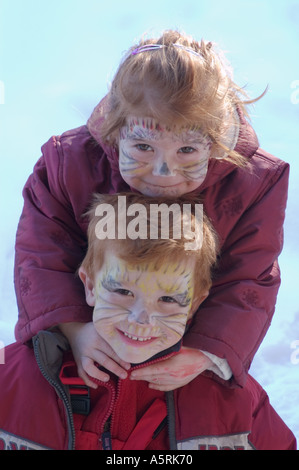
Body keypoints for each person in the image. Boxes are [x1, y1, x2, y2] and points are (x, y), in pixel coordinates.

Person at [14, 29, 289, 391]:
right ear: (116, 131)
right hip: (92, 329)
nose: (164, 172)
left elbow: (250, 276)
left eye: (187, 151)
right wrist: (74, 329)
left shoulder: (254, 182)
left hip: (186, 345)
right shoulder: (69, 163)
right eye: (143, 145)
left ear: (218, 142)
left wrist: (207, 352)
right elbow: (41, 251)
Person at [0, 194, 296, 450]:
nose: (141, 319)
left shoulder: (233, 400)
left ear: (195, 303)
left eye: (168, 300)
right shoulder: (10, 376)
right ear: (90, 286)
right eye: (123, 291)